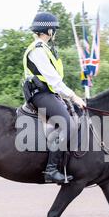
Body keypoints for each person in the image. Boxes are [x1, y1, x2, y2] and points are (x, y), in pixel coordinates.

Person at [23, 12, 86, 184]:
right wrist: (73, 96)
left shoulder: (45, 49)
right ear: (49, 30)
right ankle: (51, 169)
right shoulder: (37, 50)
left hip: (49, 93)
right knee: (68, 124)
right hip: (41, 94)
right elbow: (54, 80)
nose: (54, 32)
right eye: (54, 29)